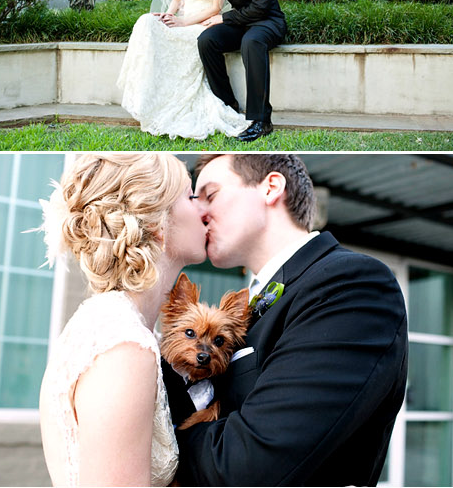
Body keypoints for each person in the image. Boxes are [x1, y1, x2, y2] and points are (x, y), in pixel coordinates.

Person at [167, 152, 409, 488]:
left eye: (211, 195)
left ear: (271, 188)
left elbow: (251, 464)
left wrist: (151, 439)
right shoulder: (260, 300)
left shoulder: (351, 283)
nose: (200, 211)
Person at [39, 151, 208, 487]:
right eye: (191, 195)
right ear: (160, 225)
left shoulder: (115, 325)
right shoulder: (122, 345)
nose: (204, 208)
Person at [117, 0, 248, 139]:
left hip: (202, 23)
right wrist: (168, 15)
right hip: (182, 19)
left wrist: (184, 22)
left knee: (187, 36)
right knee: (146, 21)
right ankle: (144, 97)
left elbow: (216, 6)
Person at [197, 0, 286, 142]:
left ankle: (260, 120)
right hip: (240, 22)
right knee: (207, 40)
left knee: (252, 42)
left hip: (266, 22)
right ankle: (227, 104)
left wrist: (224, 18)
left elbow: (260, 8)